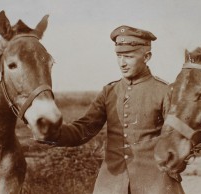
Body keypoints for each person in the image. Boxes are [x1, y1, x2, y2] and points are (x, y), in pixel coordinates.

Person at [48, 25, 184, 194]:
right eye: (119, 56)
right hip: (111, 184)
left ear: (147, 56)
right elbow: (83, 129)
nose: (122, 63)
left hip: (155, 184)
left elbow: (176, 139)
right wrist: (52, 133)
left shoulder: (164, 91)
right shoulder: (109, 92)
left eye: (129, 56)